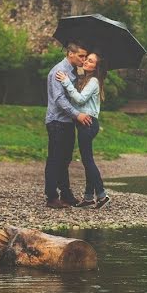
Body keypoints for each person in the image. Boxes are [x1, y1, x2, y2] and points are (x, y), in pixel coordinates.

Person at [56, 52, 110, 209]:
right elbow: (78, 102)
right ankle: (88, 197)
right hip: (85, 123)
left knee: (88, 161)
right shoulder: (86, 80)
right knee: (88, 160)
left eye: (91, 61)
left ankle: (101, 195)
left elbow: (79, 99)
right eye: (87, 59)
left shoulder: (93, 81)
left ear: (96, 67)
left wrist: (66, 81)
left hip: (88, 123)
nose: (86, 61)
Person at [44, 42, 92, 209]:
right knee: (55, 159)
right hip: (56, 121)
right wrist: (78, 115)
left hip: (67, 122)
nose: (83, 59)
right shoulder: (58, 71)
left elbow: (74, 96)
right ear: (70, 53)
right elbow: (59, 100)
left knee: (65, 160)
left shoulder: (73, 72)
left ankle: (66, 195)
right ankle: (51, 197)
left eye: (86, 57)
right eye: (81, 56)